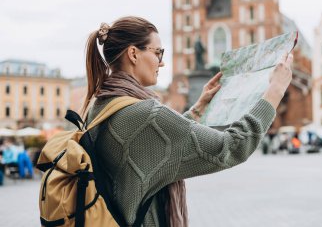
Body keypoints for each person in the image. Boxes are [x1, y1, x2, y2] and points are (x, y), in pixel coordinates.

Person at [82, 16, 293, 226]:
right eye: (157, 53)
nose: (162, 62)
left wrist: (197, 109)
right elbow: (231, 146)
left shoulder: (100, 105)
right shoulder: (146, 114)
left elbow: (149, 149)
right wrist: (275, 90)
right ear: (133, 54)